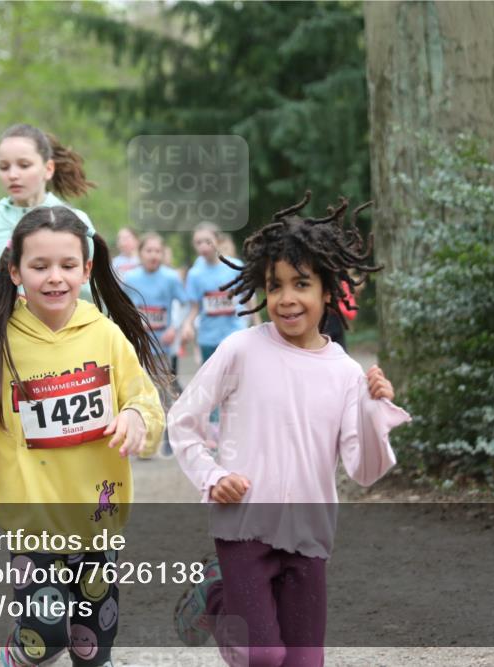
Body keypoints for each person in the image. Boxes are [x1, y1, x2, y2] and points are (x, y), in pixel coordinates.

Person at [168, 193, 410, 666]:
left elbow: (364, 470)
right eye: (275, 286)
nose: (286, 298)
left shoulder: (345, 373)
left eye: (301, 284)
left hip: (309, 534)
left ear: (328, 291)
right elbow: (184, 421)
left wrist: (376, 409)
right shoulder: (241, 349)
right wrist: (212, 477)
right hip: (243, 527)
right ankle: (217, 603)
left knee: (302, 662)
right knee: (262, 654)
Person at [0, 207, 167, 667]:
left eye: (67, 266)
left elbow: (146, 403)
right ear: (14, 270)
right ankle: (18, 652)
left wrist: (137, 420)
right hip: (33, 521)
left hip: (97, 520)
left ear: (86, 269)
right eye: (39, 266)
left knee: (91, 646)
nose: (54, 278)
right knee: (44, 637)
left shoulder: (105, 335)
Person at [0, 124, 96, 299]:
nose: (13, 175)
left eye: (24, 165)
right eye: (4, 167)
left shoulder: (77, 222)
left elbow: (93, 293)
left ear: (48, 169)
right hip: (8, 327)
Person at [123, 232, 187, 456]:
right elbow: (121, 307)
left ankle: (168, 438)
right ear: (140, 254)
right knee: (140, 393)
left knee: (163, 393)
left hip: (162, 346)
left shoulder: (170, 278)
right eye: (149, 250)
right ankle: (144, 441)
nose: (153, 255)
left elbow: (185, 303)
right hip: (138, 346)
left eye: (157, 251)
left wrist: (175, 327)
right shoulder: (131, 278)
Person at [180, 222, 248, 365]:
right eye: (198, 243)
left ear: (218, 241)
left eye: (208, 241)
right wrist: (187, 324)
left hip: (235, 335)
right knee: (212, 384)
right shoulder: (194, 274)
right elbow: (194, 307)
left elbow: (248, 299)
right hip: (208, 339)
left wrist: (257, 324)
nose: (203, 246)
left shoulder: (235, 267)